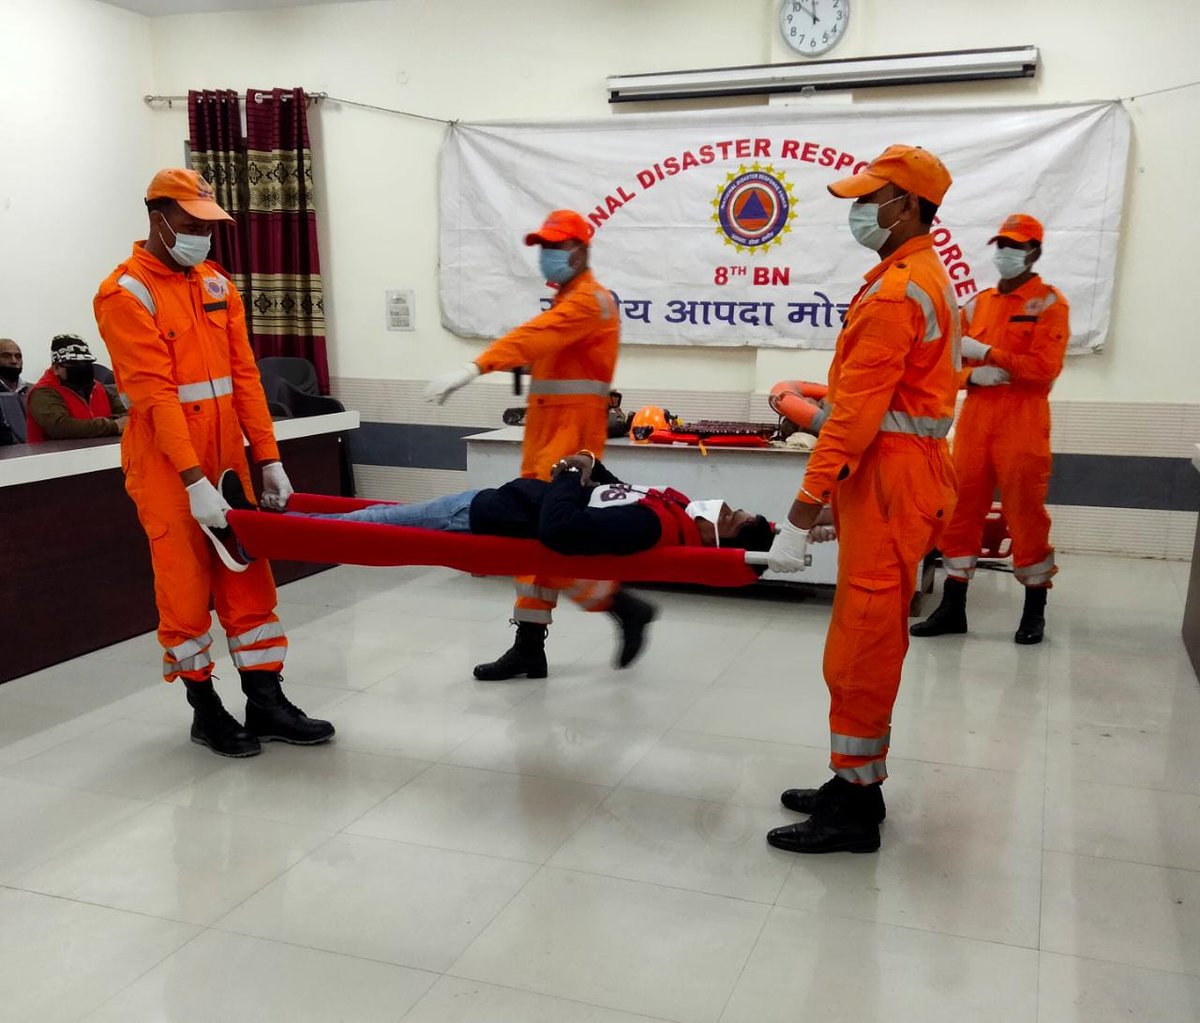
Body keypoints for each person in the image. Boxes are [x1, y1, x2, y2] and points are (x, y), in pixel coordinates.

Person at [93, 167, 334, 759]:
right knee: (184, 589)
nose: (204, 235)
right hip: (169, 471)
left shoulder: (216, 284)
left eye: (210, 225)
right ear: (159, 220)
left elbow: (245, 377)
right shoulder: (124, 294)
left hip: (230, 462)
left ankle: (266, 701)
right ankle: (206, 710)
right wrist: (193, 479)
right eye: (193, 223)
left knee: (249, 581)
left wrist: (269, 457)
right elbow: (152, 397)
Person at [764, 145, 960, 854]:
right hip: (896, 476)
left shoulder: (898, 290)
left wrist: (800, 511)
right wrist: (818, 403)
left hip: (889, 482)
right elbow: (878, 399)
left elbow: (857, 419)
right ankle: (856, 784)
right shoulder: (916, 279)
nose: (858, 210)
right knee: (863, 636)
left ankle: (851, 809)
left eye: (869, 197)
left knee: (864, 644)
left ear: (906, 206)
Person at [424, 209, 656, 681]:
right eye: (543, 247)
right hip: (548, 440)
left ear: (582, 249)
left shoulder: (590, 302)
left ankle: (619, 605)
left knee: (543, 540)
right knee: (533, 541)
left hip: (569, 445)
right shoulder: (569, 299)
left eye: (557, 246)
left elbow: (533, 338)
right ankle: (531, 643)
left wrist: (475, 367)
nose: (548, 256)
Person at [910, 214, 1070, 646]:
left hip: (1023, 421)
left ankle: (1034, 609)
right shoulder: (977, 304)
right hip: (976, 420)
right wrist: (970, 377)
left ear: (1034, 252)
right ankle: (952, 607)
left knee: (1026, 515)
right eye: (1000, 244)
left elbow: (1043, 369)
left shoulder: (1049, 304)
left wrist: (989, 354)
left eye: (1015, 246)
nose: (1005, 252)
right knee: (959, 511)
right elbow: (943, 361)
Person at [260, 453, 775, 558]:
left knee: (371, 523)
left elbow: (562, 529)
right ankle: (279, 517)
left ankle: (271, 528)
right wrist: (593, 467)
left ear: (719, 539)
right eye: (736, 507)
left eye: (732, 518)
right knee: (376, 516)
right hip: (498, 502)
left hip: (486, 514)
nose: (727, 507)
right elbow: (612, 493)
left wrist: (568, 476)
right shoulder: (669, 510)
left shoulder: (648, 529)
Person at [25, 334, 127, 442]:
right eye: (73, 363)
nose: (82, 367)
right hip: (54, 456)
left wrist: (103, 425)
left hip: (99, 451)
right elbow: (60, 427)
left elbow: (128, 415)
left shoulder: (98, 387)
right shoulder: (42, 392)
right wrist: (112, 426)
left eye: (86, 363)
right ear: (56, 368)